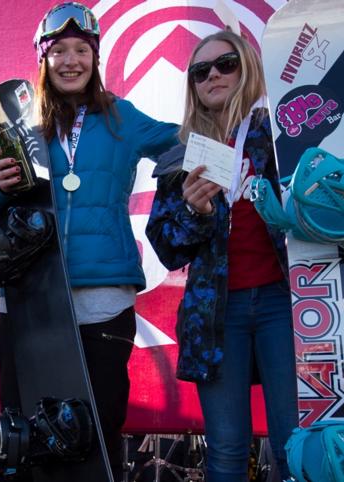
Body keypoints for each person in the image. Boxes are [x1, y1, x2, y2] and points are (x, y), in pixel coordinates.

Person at [0, 3, 178, 479]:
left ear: (95, 58)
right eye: (59, 51)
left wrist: (202, 164)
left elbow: (181, 142)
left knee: (98, 431)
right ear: (43, 58)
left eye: (82, 49)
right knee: (28, 433)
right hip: (31, 297)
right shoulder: (18, 123)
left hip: (101, 295)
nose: (71, 60)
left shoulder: (122, 116)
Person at [145, 31, 298, 482]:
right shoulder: (181, 153)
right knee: (227, 451)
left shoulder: (281, 131)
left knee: (295, 444)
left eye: (225, 63)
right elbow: (167, 249)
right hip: (217, 315)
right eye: (200, 71)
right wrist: (194, 211)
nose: (212, 74)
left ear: (246, 67)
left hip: (284, 305)